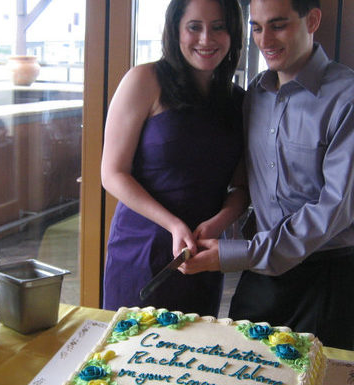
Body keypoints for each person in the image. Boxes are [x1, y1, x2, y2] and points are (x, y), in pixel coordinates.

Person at [181, 0, 354, 351]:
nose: (265, 40)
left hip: (329, 277)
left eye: (278, 25)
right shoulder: (255, 95)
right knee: (243, 369)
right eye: (257, 28)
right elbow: (247, 183)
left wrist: (237, 254)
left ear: (312, 20)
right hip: (260, 275)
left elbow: (334, 207)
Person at [101, 0, 247, 317]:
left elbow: (241, 189)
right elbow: (112, 173)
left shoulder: (238, 101)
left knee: (194, 356)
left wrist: (217, 224)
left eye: (219, 27)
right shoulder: (144, 80)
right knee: (130, 355)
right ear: (176, 31)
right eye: (194, 27)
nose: (206, 39)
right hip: (140, 248)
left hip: (201, 256)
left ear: (233, 33)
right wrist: (172, 224)